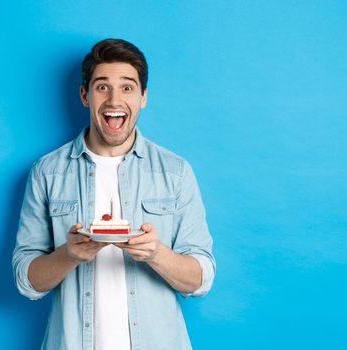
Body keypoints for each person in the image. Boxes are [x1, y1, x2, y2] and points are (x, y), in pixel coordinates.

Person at [12, 38, 215, 350]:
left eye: (128, 87)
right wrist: (70, 254)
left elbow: (201, 279)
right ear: (85, 95)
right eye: (102, 87)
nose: (114, 100)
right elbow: (27, 281)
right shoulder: (47, 173)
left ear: (143, 97)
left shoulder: (175, 172)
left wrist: (155, 253)